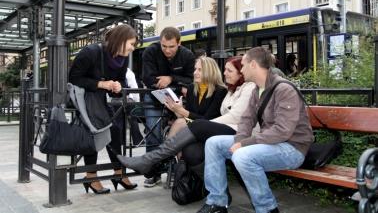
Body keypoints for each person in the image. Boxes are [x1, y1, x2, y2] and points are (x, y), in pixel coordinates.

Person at [196, 47, 314, 213]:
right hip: (270, 144)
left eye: (243, 65)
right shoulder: (257, 89)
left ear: (253, 65)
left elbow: (282, 131)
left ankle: (267, 209)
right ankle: (217, 202)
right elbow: (246, 120)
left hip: (292, 148)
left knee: (243, 156)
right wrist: (238, 141)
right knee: (213, 143)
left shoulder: (284, 89)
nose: (241, 69)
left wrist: (245, 144)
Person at [117, 56, 255, 183]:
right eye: (195, 69)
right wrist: (176, 109)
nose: (195, 72)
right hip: (199, 131)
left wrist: (184, 113)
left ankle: (154, 161)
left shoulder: (222, 91)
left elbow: (215, 118)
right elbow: (190, 116)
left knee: (183, 123)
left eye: (200, 70)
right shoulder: (196, 89)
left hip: (220, 131)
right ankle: (209, 189)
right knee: (190, 151)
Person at [68, 24, 138, 194]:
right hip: (82, 102)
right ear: (120, 40)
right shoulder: (91, 52)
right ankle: (91, 177)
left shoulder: (122, 59)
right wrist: (101, 84)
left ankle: (118, 173)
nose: (133, 48)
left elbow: (121, 80)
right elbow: (74, 78)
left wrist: (117, 86)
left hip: (98, 101)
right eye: (131, 43)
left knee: (114, 131)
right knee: (94, 133)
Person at [142, 27, 195, 187]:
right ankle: (152, 173)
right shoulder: (150, 52)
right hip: (153, 98)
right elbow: (147, 78)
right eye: (164, 46)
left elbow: (192, 80)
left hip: (179, 100)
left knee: (180, 133)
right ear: (160, 42)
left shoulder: (187, 55)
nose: (167, 50)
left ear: (179, 43)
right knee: (152, 133)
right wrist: (180, 83)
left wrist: (171, 79)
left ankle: (176, 170)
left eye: (171, 46)